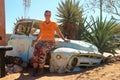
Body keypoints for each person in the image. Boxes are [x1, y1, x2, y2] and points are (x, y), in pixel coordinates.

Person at [32, 10, 70, 76]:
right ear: (44, 15)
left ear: (50, 16)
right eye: (46, 15)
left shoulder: (53, 24)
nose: (47, 16)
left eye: (49, 15)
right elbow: (40, 33)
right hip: (42, 41)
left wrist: (64, 39)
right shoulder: (42, 24)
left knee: (42, 49)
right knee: (36, 49)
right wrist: (36, 40)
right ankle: (35, 69)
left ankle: (41, 69)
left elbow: (58, 32)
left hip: (50, 41)